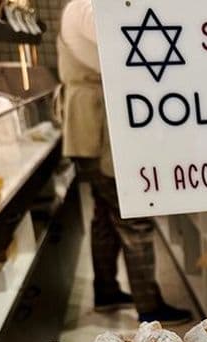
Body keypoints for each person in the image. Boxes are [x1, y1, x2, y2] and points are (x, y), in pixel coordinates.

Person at [58, 0, 192, 323]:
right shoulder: (87, 9)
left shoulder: (80, 8)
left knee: (104, 215)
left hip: (88, 128)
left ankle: (106, 291)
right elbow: (130, 40)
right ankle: (150, 307)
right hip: (97, 128)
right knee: (133, 216)